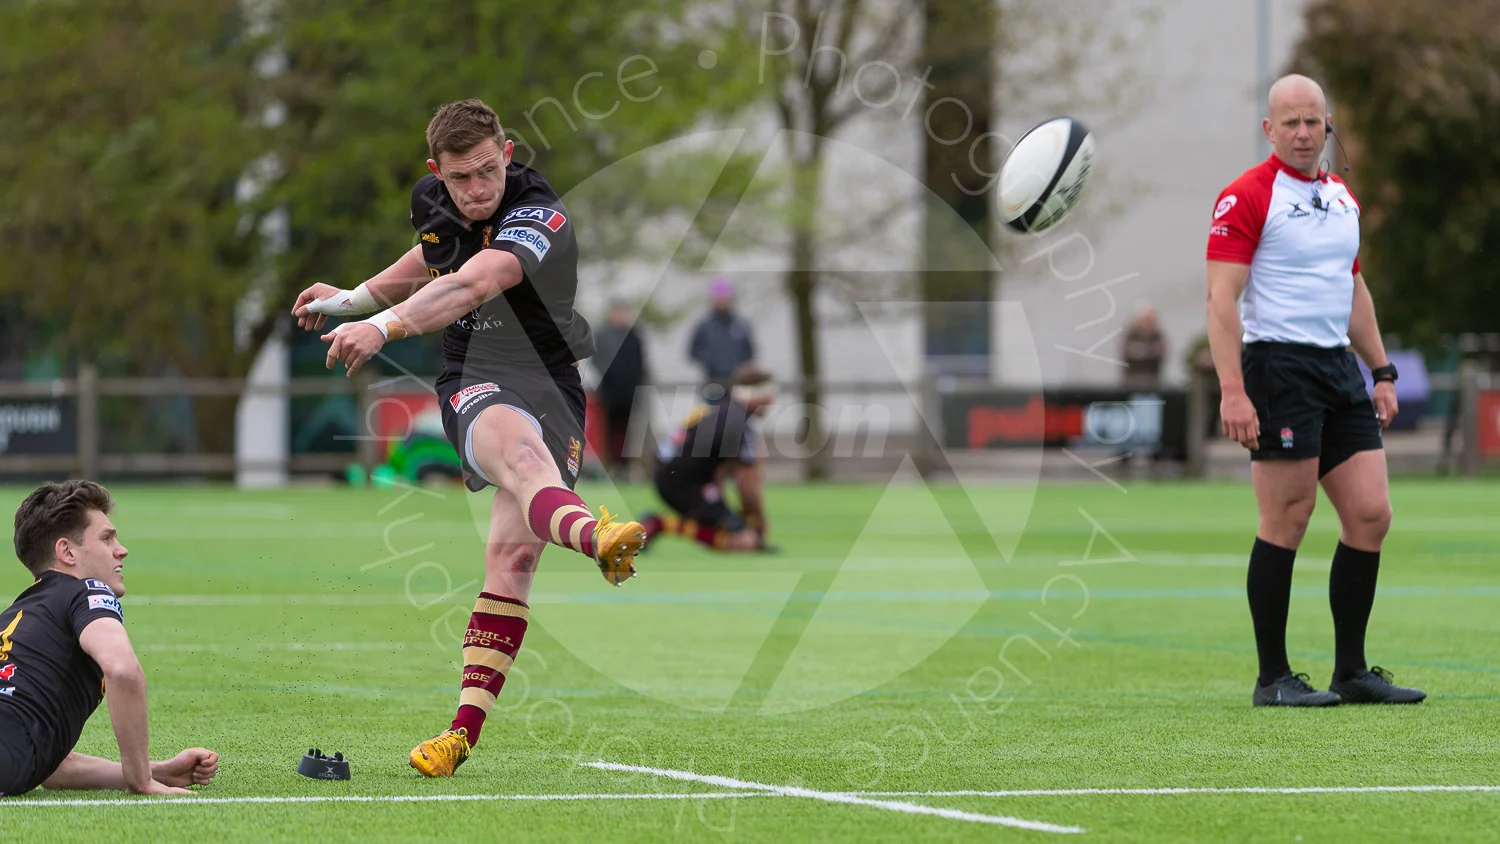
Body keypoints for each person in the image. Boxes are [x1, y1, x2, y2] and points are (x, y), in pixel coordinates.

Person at [291, 98, 647, 777]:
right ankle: (596, 536)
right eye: (461, 178)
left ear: (507, 153)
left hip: (552, 382)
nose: (478, 188)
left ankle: (458, 736)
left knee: (513, 561)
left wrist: (381, 327)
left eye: (488, 170)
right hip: (475, 374)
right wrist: (352, 301)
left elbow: (474, 282)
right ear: (437, 173)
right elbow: (428, 260)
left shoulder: (540, 213)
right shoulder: (432, 202)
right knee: (521, 459)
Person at [1206, 74, 1425, 707]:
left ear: (1328, 125)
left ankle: (1350, 672)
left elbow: (1351, 288)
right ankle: (1272, 678)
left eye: (1313, 122)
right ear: (1269, 129)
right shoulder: (1246, 196)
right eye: (1291, 123)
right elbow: (1221, 300)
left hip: (1337, 368)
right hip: (1278, 367)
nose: (1303, 134)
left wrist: (1381, 370)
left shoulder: (1341, 198)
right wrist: (1232, 390)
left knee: (1371, 514)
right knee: (1288, 516)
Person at [1, 481, 219, 797]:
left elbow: (54, 768)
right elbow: (122, 670)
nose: (121, 549)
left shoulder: (17, 616)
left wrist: (160, 771)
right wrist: (142, 781)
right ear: (67, 552)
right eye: (107, 538)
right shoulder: (86, 590)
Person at [640, 365, 776, 552]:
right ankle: (661, 524)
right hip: (683, 483)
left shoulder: (721, 408)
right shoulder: (739, 425)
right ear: (756, 396)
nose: (772, 402)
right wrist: (757, 523)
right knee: (744, 541)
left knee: (730, 526)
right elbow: (747, 486)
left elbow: (716, 470)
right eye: (769, 395)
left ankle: (662, 523)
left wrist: (724, 511)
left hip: (668, 473)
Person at [592, 297, 649, 480]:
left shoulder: (634, 336)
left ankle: (628, 466)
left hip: (629, 391)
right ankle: (612, 465)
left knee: (629, 431)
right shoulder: (602, 335)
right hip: (610, 391)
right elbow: (596, 359)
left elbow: (641, 363)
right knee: (610, 429)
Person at [687, 277, 755, 401]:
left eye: (725, 297)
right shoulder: (704, 327)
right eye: (718, 298)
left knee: (736, 412)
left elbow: (749, 353)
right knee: (713, 412)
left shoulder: (741, 326)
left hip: (737, 385)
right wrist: (711, 361)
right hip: (713, 383)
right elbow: (693, 352)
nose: (722, 301)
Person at [1121, 303, 1167, 389]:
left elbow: (1161, 349)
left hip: (1153, 381)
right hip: (1133, 381)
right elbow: (1129, 350)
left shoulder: (1156, 335)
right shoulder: (1132, 334)